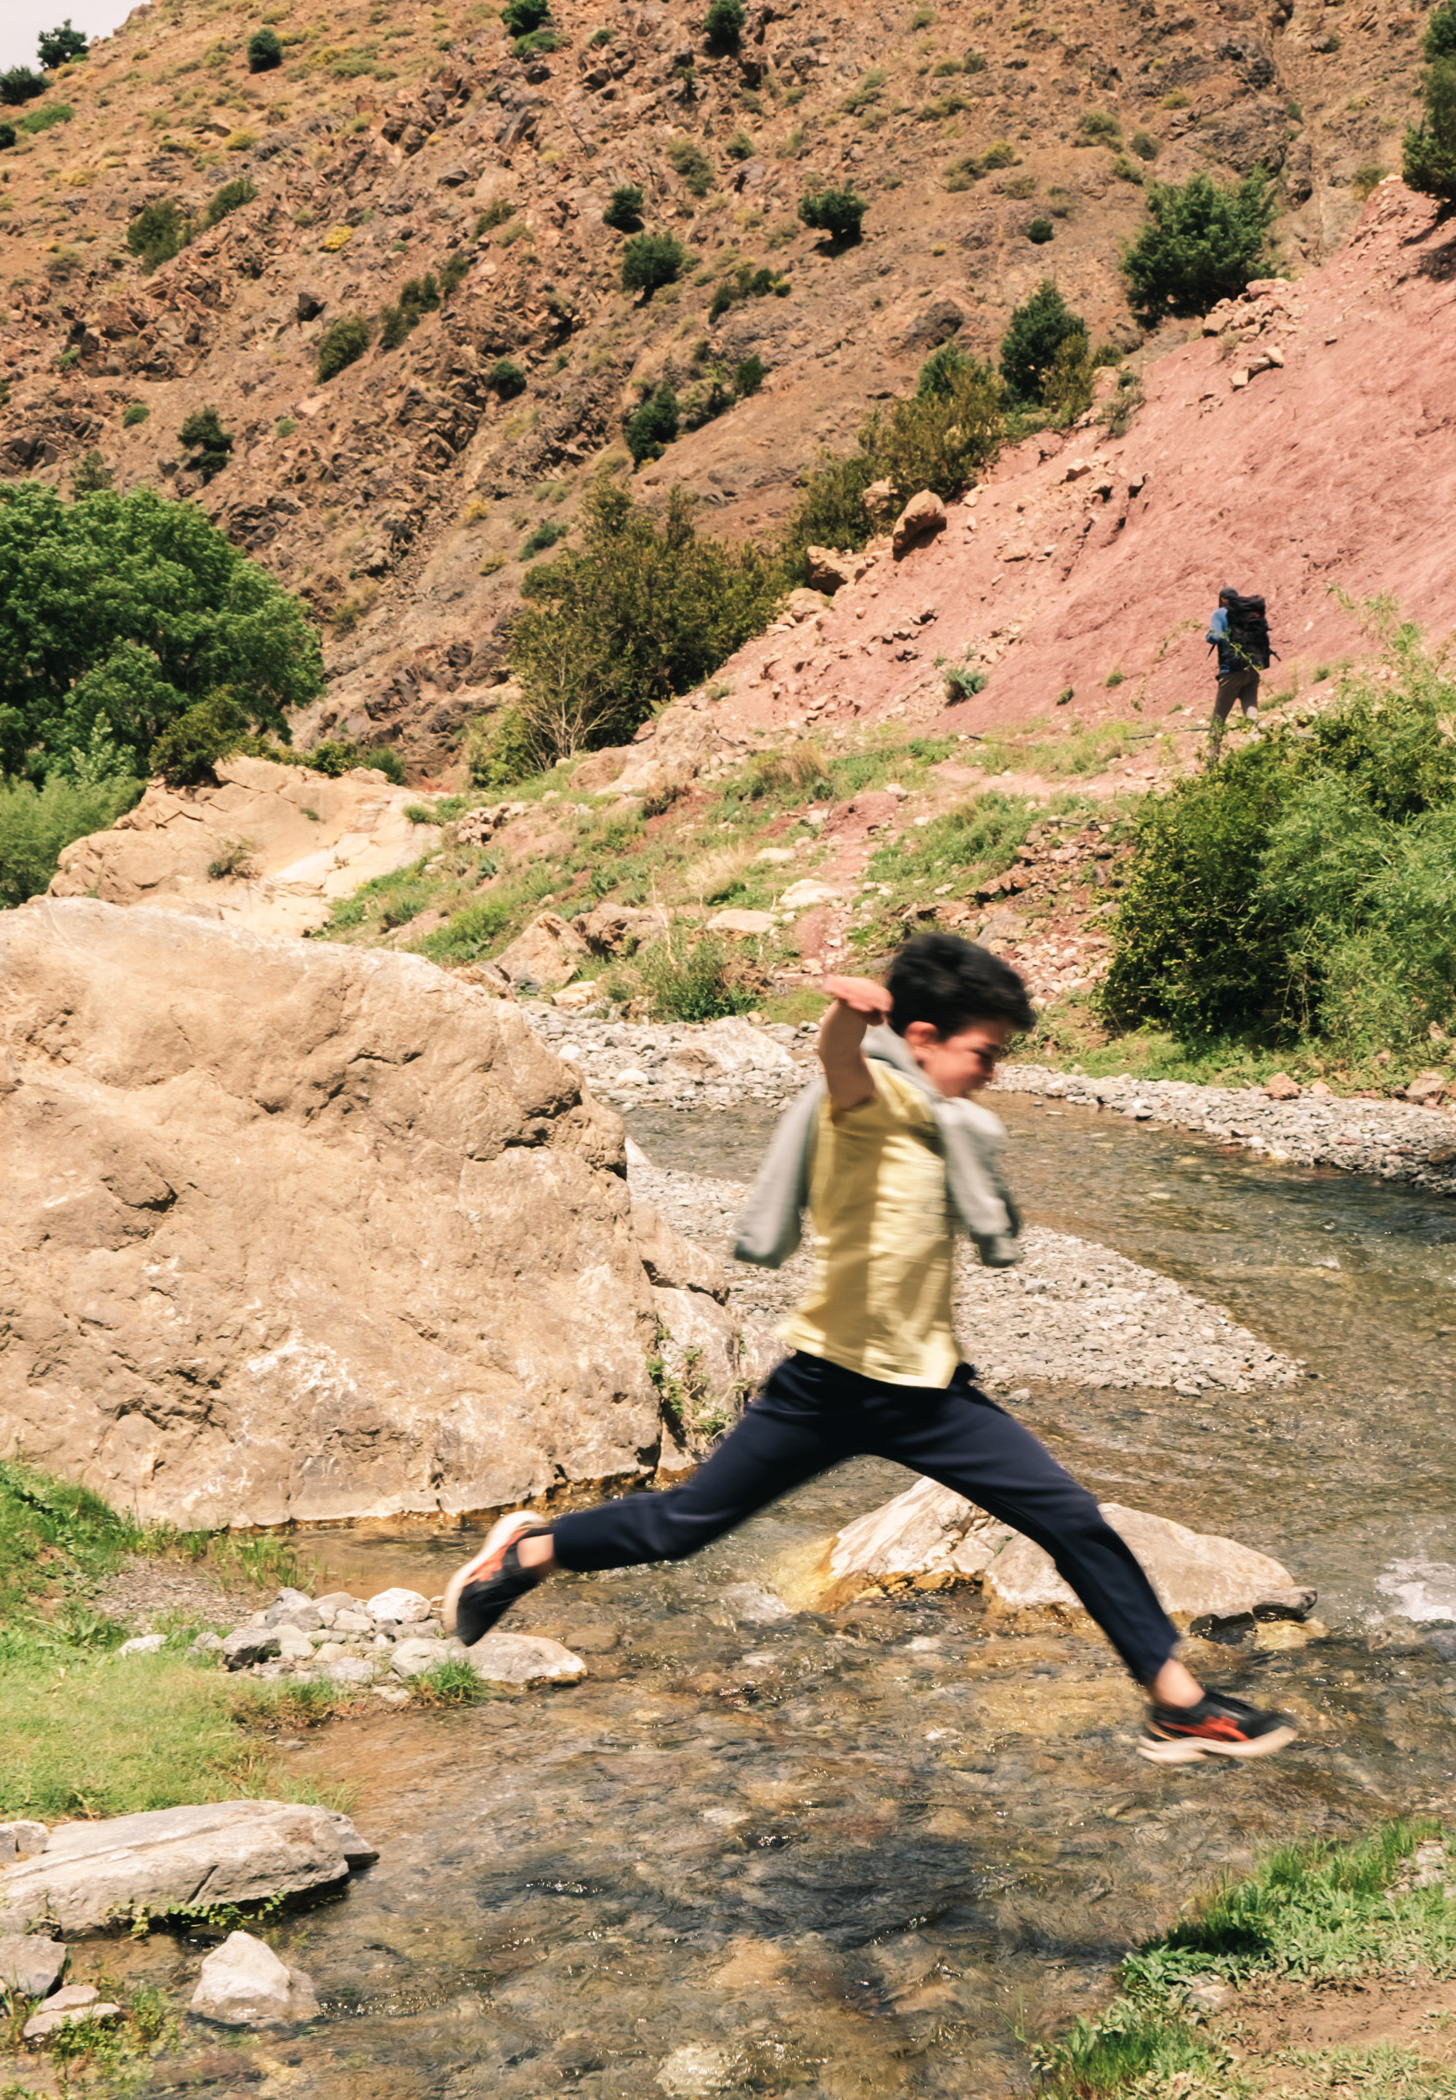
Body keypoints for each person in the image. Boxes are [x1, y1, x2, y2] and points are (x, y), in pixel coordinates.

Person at [444, 933, 1298, 1763]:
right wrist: (848, 1019)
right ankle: (527, 1553)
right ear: (921, 1040)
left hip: (934, 1395)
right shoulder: (869, 1105)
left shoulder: (948, 1129)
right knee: (682, 1528)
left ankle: (1177, 1704)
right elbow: (839, 1062)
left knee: (1075, 1522)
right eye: (984, 1053)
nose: (994, 1073)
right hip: (827, 1388)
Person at [1205, 587, 1272, 758]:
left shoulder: (1220, 613)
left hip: (1231, 671)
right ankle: (1259, 752)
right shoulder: (1247, 613)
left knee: (1219, 718)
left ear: (1223, 600)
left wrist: (1208, 635)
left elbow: (1215, 637)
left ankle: (1211, 759)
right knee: (1251, 713)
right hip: (1252, 669)